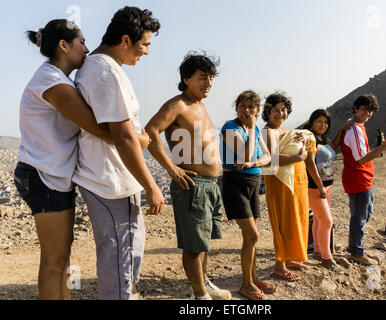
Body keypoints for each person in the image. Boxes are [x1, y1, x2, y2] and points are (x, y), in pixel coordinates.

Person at [14, 19, 116, 300]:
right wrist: (136, 137)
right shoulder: (52, 82)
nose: (86, 48)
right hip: (44, 176)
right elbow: (98, 128)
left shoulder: (56, 79)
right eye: (81, 42)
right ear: (63, 45)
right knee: (54, 260)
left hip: (49, 175)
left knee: (60, 257)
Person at [73, 6, 164, 300]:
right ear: (125, 40)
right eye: (145, 44)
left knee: (126, 257)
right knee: (119, 263)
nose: (147, 52)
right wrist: (152, 185)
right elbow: (123, 138)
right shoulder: (105, 72)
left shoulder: (103, 68)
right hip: (108, 181)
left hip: (114, 180)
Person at [145, 52, 231, 300]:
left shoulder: (200, 106)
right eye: (202, 78)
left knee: (204, 241)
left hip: (210, 184)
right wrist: (171, 168)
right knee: (194, 246)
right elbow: (150, 131)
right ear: (186, 78)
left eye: (211, 78)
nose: (209, 83)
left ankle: (202, 284)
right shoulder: (177, 105)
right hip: (191, 183)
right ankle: (200, 297)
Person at [262, 92, 322, 281]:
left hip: (297, 182)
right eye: (275, 110)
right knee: (283, 222)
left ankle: (288, 258)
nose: (280, 113)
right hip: (279, 183)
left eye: (283, 109)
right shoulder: (267, 132)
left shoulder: (286, 131)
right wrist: (298, 157)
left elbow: (305, 154)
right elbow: (270, 159)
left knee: (297, 218)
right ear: (267, 112)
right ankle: (279, 266)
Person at [220, 90, 273, 300]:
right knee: (252, 235)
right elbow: (245, 154)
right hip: (235, 182)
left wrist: (253, 163)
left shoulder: (254, 129)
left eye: (251, 107)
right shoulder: (229, 127)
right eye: (243, 106)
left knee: (251, 237)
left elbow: (266, 157)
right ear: (236, 108)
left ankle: (252, 277)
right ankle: (246, 284)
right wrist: (251, 130)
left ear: (258, 111)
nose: (247, 110)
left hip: (253, 181)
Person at [340, 94, 386, 266]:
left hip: (363, 178)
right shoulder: (355, 129)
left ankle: (355, 246)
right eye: (364, 109)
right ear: (356, 108)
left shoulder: (357, 125)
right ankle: (356, 251)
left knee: (364, 213)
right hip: (358, 178)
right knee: (359, 216)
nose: (367, 113)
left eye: (370, 110)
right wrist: (384, 146)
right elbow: (361, 158)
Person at [303, 109, 353, 271]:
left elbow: (333, 146)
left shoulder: (323, 139)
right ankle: (326, 258)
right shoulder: (309, 138)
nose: (322, 125)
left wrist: (342, 129)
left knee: (319, 219)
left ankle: (318, 251)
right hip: (315, 186)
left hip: (327, 183)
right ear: (312, 122)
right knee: (327, 221)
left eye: (325, 122)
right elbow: (309, 163)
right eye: (319, 121)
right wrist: (319, 186)